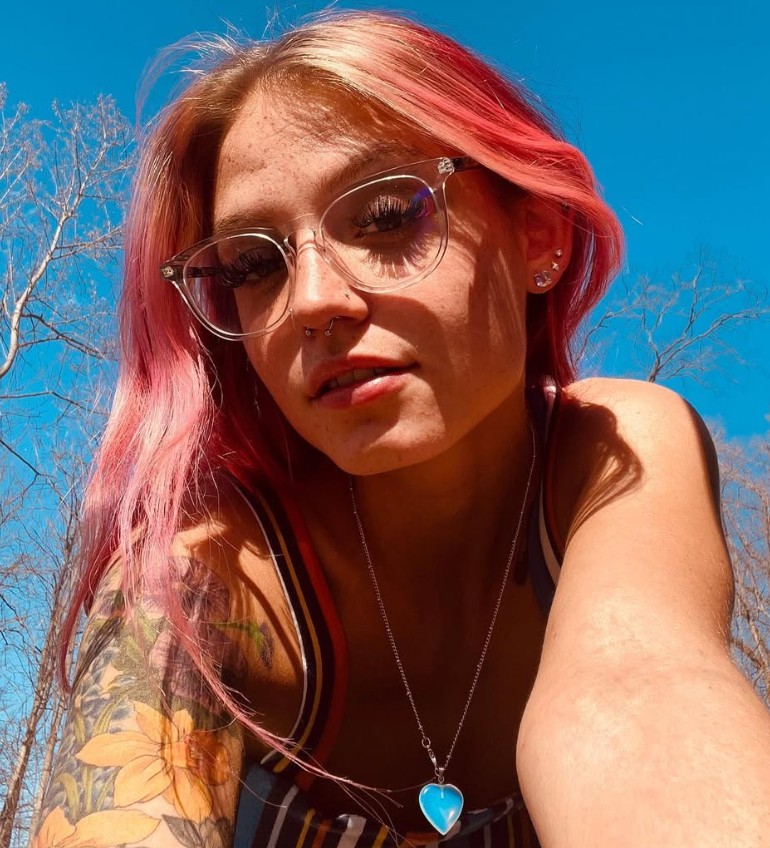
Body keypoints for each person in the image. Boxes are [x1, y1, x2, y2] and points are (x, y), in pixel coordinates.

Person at [34, 10, 770, 848]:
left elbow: (640, 690)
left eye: (386, 215)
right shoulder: (205, 568)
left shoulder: (613, 449)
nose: (313, 301)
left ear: (538, 237)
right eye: (254, 265)